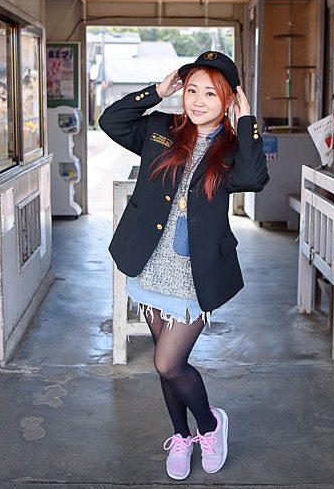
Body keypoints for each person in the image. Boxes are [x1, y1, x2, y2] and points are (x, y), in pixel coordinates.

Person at [98, 50, 270, 480]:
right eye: (192, 89)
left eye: (210, 93)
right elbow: (111, 121)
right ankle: (182, 436)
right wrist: (157, 91)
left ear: (228, 99)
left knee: (167, 363)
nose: (197, 101)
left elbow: (252, 179)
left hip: (193, 271)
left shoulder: (232, 148)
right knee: (164, 359)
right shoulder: (161, 129)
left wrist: (246, 121)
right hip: (150, 262)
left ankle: (211, 425)